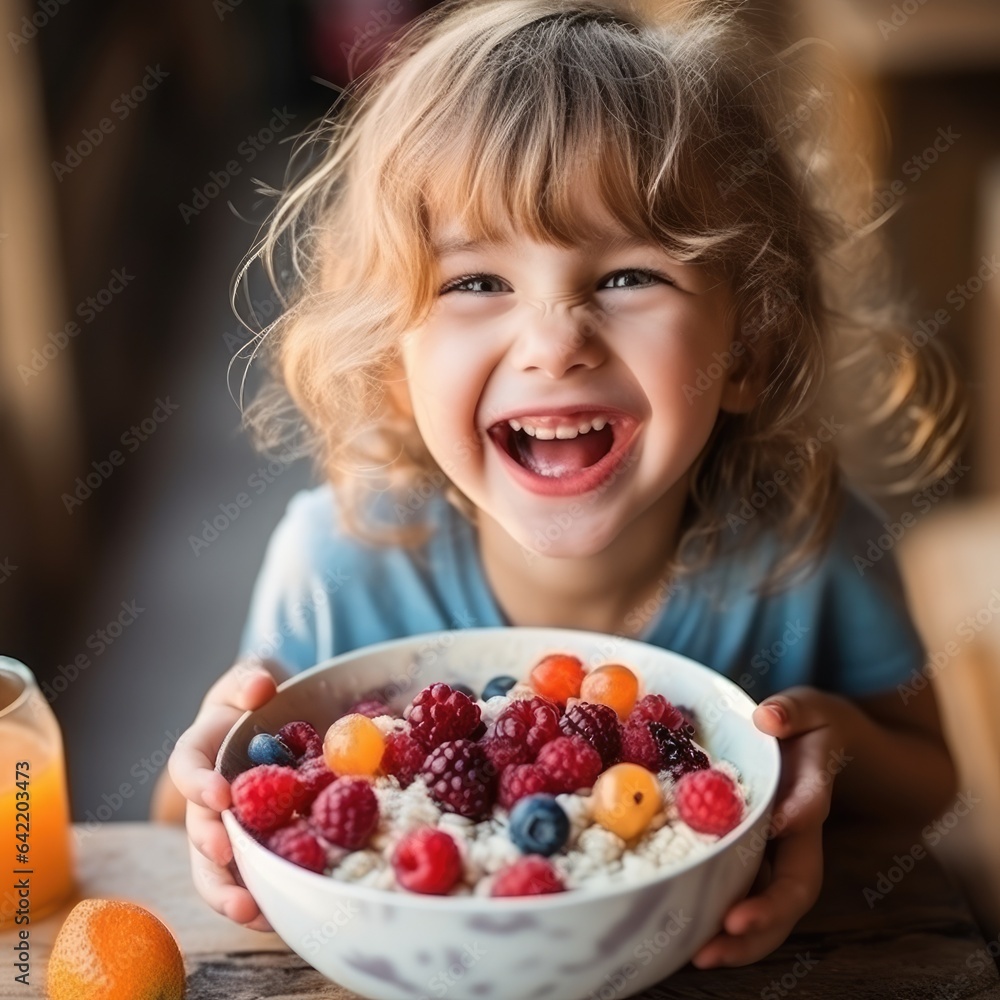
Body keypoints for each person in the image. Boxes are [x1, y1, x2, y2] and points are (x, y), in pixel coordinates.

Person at [164, 0, 963, 969]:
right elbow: (198, 810)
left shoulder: (811, 544)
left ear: (747, 346)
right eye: (474, 283)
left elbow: (929, 783)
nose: (554, 343)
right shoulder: (336, 562)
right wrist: (216, 774)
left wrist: (826, 743)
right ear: (391, 364)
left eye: (628, 276)